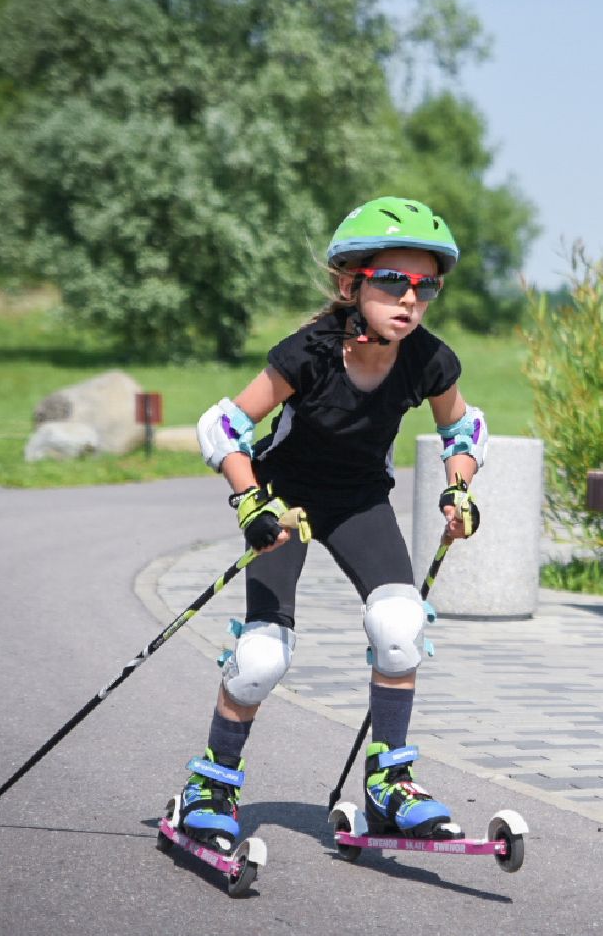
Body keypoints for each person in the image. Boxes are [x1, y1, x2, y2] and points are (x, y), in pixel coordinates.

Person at [176, 196, 487, 850]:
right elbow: (224, 426)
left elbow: (462, 427)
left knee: (399, 627)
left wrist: (457, 491)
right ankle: (211, 785)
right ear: (352, 284)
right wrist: (250, 502)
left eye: (425, 285)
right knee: (262, 656)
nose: (409, 298)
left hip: (359, 502)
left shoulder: (427, 359)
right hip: (282, 500)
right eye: (391, 282)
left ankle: (388, 783)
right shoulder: (309, 353)